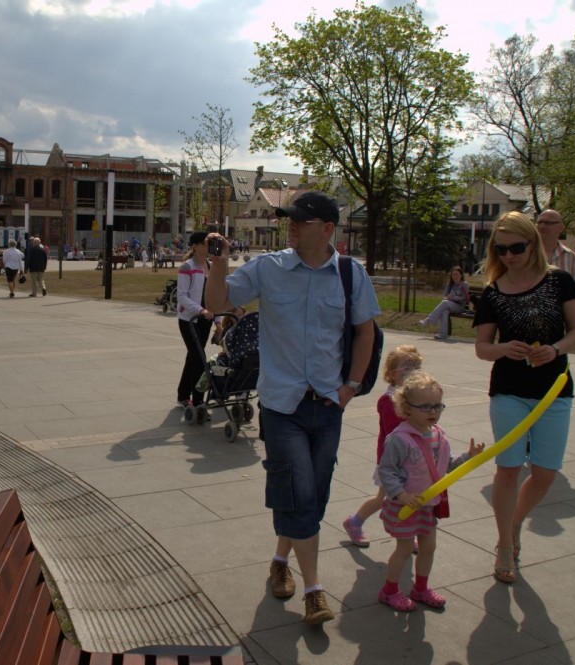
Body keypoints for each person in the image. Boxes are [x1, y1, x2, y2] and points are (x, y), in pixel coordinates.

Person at [204, 190, 380, 626]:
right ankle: (314, 590)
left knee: (313, 495)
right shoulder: (270, 267)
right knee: (299, 491)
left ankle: (281, 559)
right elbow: (218, 304)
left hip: (328, 404)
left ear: (327, 229)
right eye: (290, 219)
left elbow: (365, 331)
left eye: (301, 220)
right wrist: (220, 266)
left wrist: (351, 387)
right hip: (282, 405)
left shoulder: (350, 273)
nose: (292, 226)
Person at [473, 210, 575, 584]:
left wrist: (555, 349)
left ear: (532, 244)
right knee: (507, 468)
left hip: (554, 390)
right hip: (509, 390)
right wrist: (504, 349)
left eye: (516, 248)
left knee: (545, 473)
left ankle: (515, 522)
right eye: (500, 249)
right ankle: (505, 544)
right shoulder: (493, 292)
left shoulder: (559, 281)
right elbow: (482, 347)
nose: (508, 256)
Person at [376, 371, 483, 611]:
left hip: (428, 505)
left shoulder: (439, 435)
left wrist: (468, 457)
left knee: (429, 547)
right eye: (425, 407)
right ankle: (389, 591)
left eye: (437, 406)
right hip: (404, 505)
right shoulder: (399, 439)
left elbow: (446, 466)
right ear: (407, 408)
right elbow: (386, 471)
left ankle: (421, 588)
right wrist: (401, 494)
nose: (432, 412)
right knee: (404, 549)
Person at [343, 345, 423, 547]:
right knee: (384, 497)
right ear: (392, 374)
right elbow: (394, 432)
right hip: (392, 461)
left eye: (417, 367)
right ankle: (354, 522)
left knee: (409, 496)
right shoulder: (389, 400)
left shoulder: (415, 398)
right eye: (407, 367)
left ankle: (408, 532)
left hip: (411, 458)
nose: (413, 372)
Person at [175, 231, 215, 408]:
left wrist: (218, 322)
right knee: (199, 359)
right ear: (196, 246)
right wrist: (201, 310)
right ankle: (198, 402)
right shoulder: (187, 267)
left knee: (193, 357)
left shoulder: (211, 266)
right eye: (206, 243)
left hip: (206, 319)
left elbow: (214, 296)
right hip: (189, 320)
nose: (209, 246)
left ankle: (183, 395)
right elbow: (182, 296)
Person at [535, 209, 575, 293]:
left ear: (561, 228)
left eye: (548, 223)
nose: (542, 226)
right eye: (539, 222)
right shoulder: (524, 253)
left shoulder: (572, 258)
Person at [419, 267, 470, 341]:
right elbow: (444, 296)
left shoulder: (464, 284)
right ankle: (443, 334)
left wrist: (453, 298)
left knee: (444, 302)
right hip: (448, 304)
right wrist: (448, 297)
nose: (455, 276)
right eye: (453, 274)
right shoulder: (450, 284)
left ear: (461, 275)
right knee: (444, 312)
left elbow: (464, 298)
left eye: (457, 274)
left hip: (459, 306)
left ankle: (428, 320)